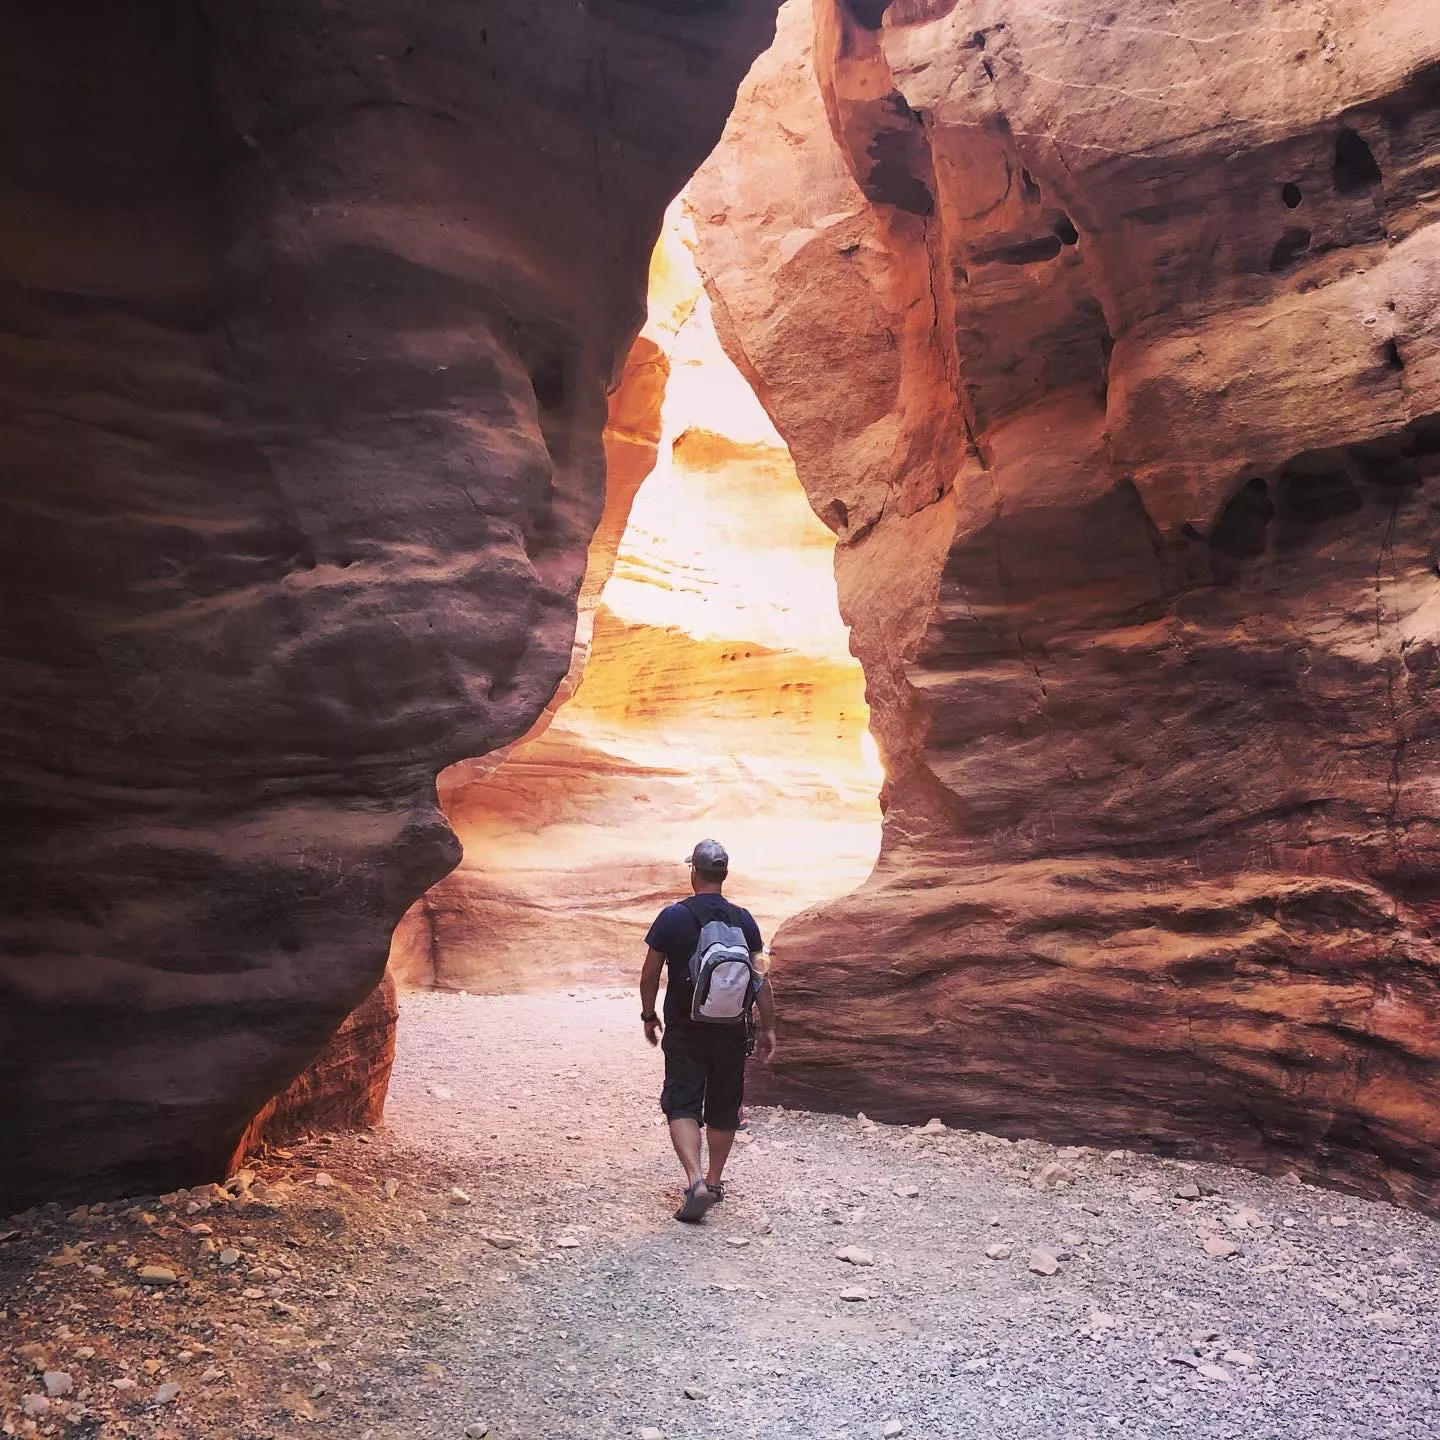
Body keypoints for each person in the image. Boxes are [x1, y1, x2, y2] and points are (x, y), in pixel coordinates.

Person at [640, 839, 776, 1222]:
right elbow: (760, 978)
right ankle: (715, 1181)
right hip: (732, 1028)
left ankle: (695, 1180)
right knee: (723, 1104)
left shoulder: (673, 916)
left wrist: (649, 1014)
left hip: (686, 1027)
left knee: (682, 1100)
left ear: (694, 872)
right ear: (725, 875)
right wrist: (769, 1028)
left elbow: (650, 973)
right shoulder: (743, 919)